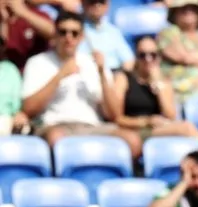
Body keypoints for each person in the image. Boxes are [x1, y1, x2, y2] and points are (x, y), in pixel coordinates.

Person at [20, 11, 141, 156]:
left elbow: (114, 115)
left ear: (81, 37)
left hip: (92, 126)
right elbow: (28, 109)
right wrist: (60, 76)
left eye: (74, 33)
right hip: (55, 125)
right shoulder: (37, 62)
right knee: (57, 139)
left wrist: (102, 73)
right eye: (63, 32)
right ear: (55, 35)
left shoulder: (93, 64)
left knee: (132, 140)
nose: (68, 38)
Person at [111, 36, 198, 143]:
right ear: (136, 57)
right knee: (186, 128)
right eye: (142, 55)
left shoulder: (164, 82)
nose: (148, 59)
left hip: (157, 130)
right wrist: (145, 121)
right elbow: (117, 118)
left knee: (187, 129)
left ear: (158, 58)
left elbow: (170, 116)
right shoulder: (123, 78)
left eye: (153, 55)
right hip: (133, 130)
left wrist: (158, 85)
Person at [79, 0, 134, 72]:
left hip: (114, 74)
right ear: (83, 3)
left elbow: (129, 61)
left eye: (101, 2)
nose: (97, 5)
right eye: (92, 2)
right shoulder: (74, 29)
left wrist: (122, 77)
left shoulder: (113, 31)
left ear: (108, 4)